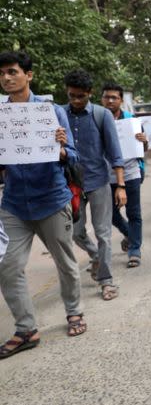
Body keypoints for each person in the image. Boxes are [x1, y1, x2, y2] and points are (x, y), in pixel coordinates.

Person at [0, 51, 86, 359]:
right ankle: (26, 330)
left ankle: (74, 311)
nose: (7, 78)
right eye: (2, 74)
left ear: (28, 75)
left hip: (51, 199)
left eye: (12, 72)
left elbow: (73, 157)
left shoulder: (49, 111)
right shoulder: (0, 114)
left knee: (65, 262)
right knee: (7, 266)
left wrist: (61, 147)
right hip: (13, 204)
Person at [64, 69, 126, 302]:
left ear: (90, 93)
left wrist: (120, 186)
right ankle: (95, 256)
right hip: (71, 186)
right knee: (76, 232)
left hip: (99, 181)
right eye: (72, 96)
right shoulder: (60, 114)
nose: (76, 101)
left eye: (81, 96)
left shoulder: (102, 115)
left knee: (103, 233)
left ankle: (106, 280)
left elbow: (114, 153)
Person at [102, 82, 148, 268]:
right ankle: (130, 233)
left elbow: (144, 148)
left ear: (121, 100)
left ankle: (135, 250)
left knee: (134, 212)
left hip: (130, 172)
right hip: (106, 176)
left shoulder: (132, 120)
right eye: (107, 97)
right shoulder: (97, 119)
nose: (110, 100)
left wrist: (144, 141)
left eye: (114, 97)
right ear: (101, 99)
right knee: (111, 215)